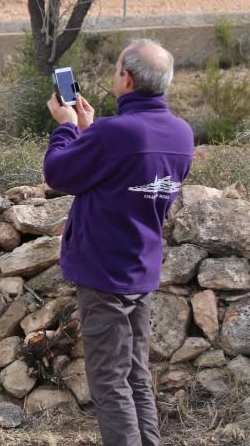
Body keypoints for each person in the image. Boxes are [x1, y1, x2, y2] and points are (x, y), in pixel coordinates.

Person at [43, 39, 193, 446]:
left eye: (114, 70)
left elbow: (58, 173)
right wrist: (91, 131)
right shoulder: (181, 134)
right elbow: (127, 175)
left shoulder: (114, 133)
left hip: (103, 273)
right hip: (142, 269)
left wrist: (66, 127)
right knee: (135, 376)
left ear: (126, 78)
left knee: (109, 382)